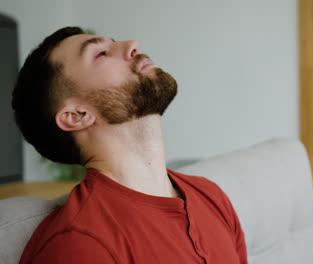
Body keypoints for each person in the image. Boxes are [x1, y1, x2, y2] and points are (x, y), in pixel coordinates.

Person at [12, 26, 247, 264]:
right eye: (101, 54)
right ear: (77, 115)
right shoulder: (79, 244)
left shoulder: (211, 196)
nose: (132, 44)